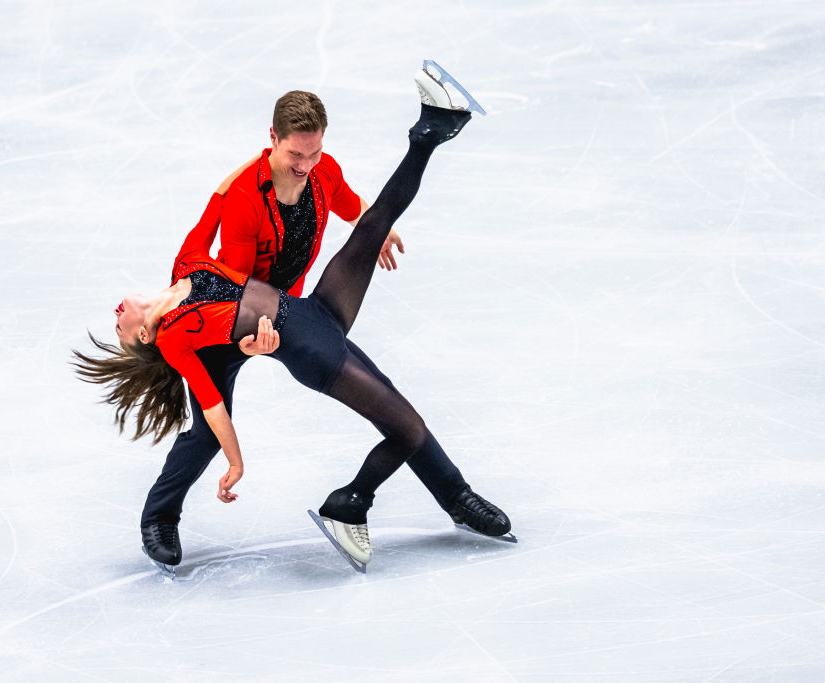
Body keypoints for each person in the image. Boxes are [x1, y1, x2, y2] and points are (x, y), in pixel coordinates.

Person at [74, 65, 513, 570]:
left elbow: (217, 204)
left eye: (313, 152)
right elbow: (238, 289)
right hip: (246, 332)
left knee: (387, 385)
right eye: (295, 154)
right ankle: (160, 516)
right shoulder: (183, 316)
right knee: (205, 435)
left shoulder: (188, 260)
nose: (306, 164)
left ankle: (454, 495)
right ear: (146, 333)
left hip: (302, 313)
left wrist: (370, 227)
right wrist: (251, 351)